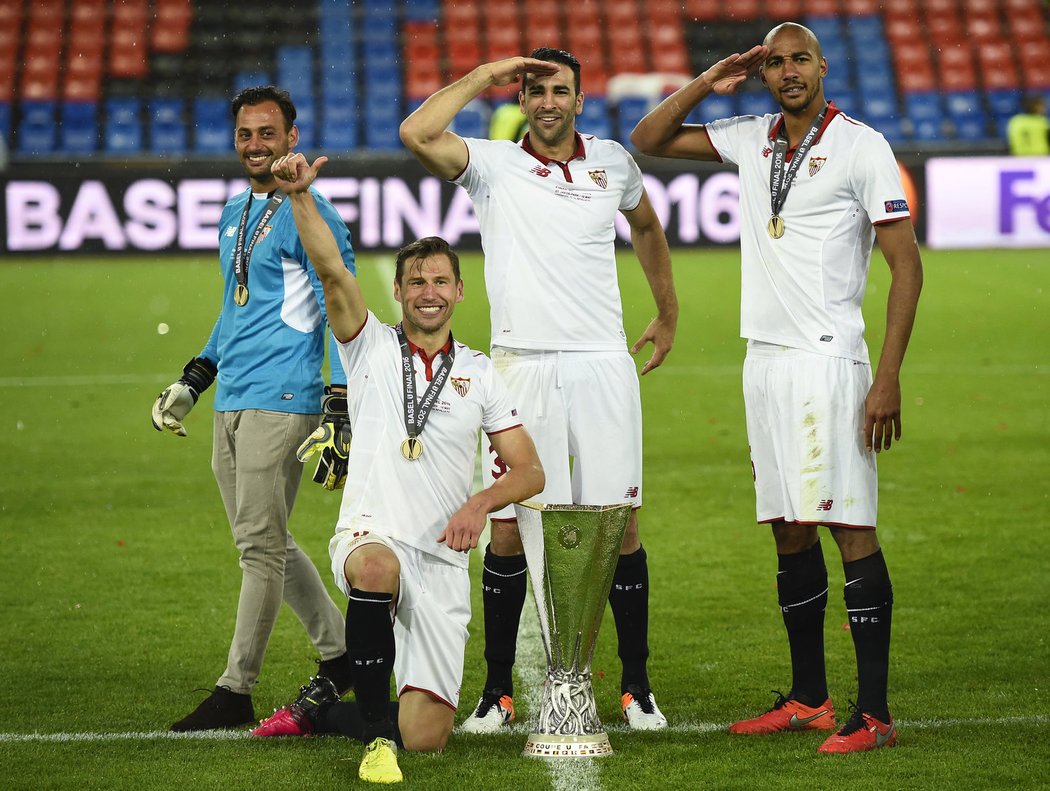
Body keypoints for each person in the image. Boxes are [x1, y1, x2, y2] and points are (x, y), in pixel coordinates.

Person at [631, 22, 922, 754]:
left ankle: (877, 710)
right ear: (762, 72)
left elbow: (906, 269)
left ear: (823, 66)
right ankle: (809, 697)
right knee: (789, 526)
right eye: (777, 62)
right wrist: (707, 80)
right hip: (763, 361)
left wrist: (885, 377)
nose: (789, 71)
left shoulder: (862, 146)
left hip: (828, 360)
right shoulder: (752, 134)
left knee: (849, 525)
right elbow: (649, 138)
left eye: (800, 59)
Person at [399, 47, 678, 733]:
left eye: (560, 89)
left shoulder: (612, 160)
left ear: (580, 98)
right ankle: (497, 691)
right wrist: (482, 76)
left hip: (603, 366)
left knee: (623, 524)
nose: (549, 100)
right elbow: (416, 133)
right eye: (535, 89)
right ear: (521, 99)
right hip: (520, 368)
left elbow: (645, 223)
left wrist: (667, 310)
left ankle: (636, 687)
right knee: (507, 532)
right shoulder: (493, 166)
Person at [251, 152, 545, 784]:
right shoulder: (369, 347)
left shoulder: (481, 374)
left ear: (460, 290)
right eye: (417, 282)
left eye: (440, 281)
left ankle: (326, 712)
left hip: (440, 559)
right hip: (372, 534)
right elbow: (331, 271)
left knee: (429, 738)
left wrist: (477, 506)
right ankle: (375, 739)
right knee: (376, 569)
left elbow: (529, 473)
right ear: (400, 290)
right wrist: (301, 195)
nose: (428, 293)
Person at [151, 85, 354, 731]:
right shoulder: (235, 211)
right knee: (262, 538)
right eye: (246, 133)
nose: (256, 144)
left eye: (269, 132)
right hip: (234, 394)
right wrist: (195, 376)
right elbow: (236, 306)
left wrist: (340, 399)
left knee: (260, 548)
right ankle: (343, 654)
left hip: (285, 396)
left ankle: (235, 688)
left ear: (292, 138)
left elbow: (341, 301)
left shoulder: (311, 213)